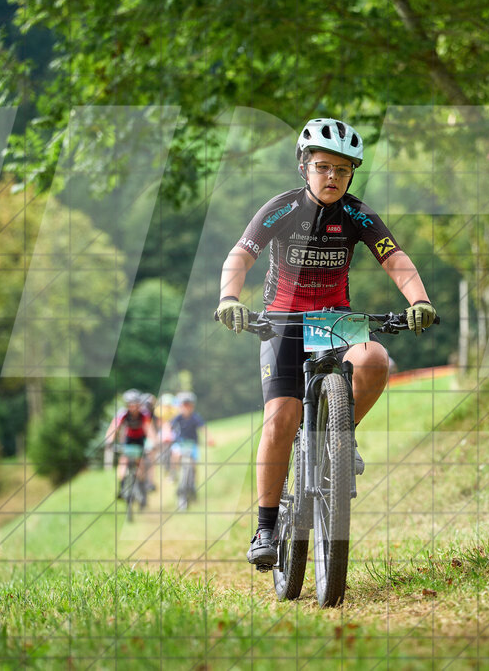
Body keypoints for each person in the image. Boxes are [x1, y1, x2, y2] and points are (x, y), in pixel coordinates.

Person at [214, 117, 436, 569]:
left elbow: (394, 258)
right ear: (304, 167)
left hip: (336, 321)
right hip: (282, 322)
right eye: (322, 167)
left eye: (342, 169)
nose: (332, 177)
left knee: (374, 360)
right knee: (282, 417)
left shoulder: (356, 214)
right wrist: (229, 298)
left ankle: (340, 432)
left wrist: (419, 300)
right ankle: (266, 525)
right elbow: (241, 254)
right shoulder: (281, 208)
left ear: (351, 174)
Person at [105, 389, 155, 506]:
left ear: (139, 404)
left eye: (135, 404)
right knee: (123, 461)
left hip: (140, 439)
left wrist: (153, 443)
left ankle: (142, 487)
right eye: (130, 405)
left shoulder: (144, 415)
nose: (133, 407)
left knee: (140, 463)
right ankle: (122, 488)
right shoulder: (123, 414)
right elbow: (114, 428)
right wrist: (109, 441)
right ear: (127, 405)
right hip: (128, 439)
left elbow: (150, 430)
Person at [169, 392, 210, 497]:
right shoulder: (177, 418)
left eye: (189, 405)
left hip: (192, 445)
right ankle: (173, 472)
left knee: (193, 465)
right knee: (175, 454)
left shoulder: (195, 417)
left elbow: (203, 428)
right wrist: (167, 436)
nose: (186, 408)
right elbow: (169, 428)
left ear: (192, 406)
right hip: (180, 444)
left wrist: (209, 438)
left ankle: (193, 486)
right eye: (184, 405)